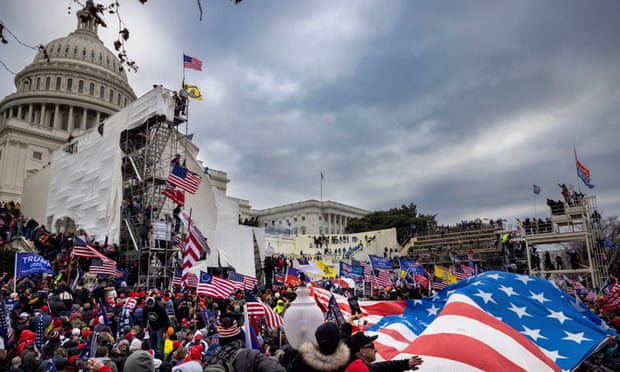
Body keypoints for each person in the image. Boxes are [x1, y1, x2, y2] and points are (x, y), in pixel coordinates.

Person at [286, 322, 351, 372]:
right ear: (338, 340)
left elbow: (290, 369)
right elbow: (348, 341)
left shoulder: (303, 359)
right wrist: (347, 326)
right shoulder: (343, 361)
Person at [346, 331, 423, 372]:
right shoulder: (358, 368)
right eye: (372, 347)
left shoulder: (355, 364)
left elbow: (382, 367)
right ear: (362, 351)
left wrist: (406, 363)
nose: (376, 350)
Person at [142, 296, 170, 361]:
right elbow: (144, 318)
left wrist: (165, 331)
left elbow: (166, 319)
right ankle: (153, 358)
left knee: (159, 345)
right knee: (152, 344)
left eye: (152, 305)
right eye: (149, 305)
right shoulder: (146, 308)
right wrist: (144, 326)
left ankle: (161, 360)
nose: (150, 306)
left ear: (154, 303)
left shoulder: (160, 308)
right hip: (152, 327)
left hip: (160, 327)